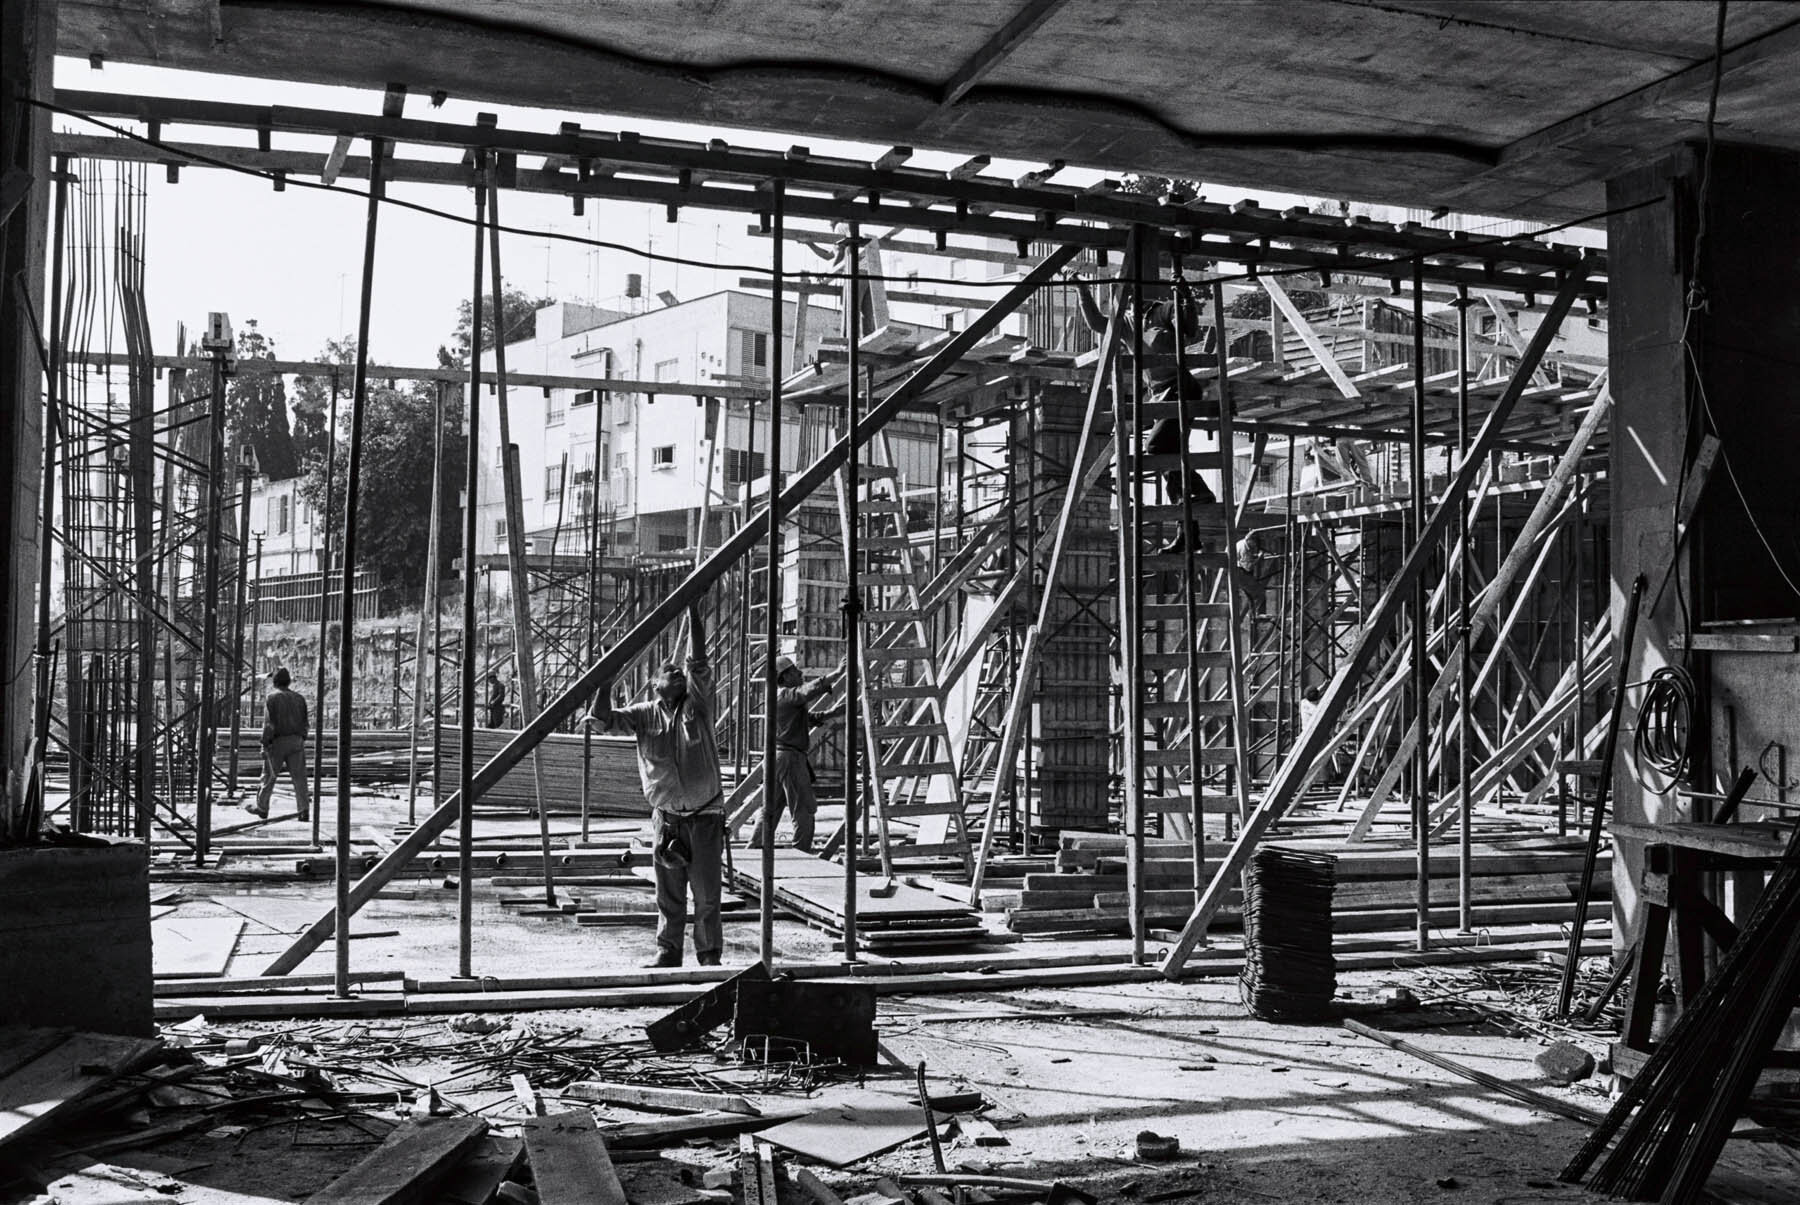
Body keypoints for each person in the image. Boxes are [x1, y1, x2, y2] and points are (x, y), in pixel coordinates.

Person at [581, 606, 723, 968]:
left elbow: (699, 663)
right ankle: (668, 951)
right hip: (668, 819)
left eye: (679, 673)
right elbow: (602, 721)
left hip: (705, 815)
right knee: (669, 893)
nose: (675, 673)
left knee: (706, 895)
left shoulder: (698, 707)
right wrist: (605, 682)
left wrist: (693, 611)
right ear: (655, 685)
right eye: (667, 672)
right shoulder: (644, 715)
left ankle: (708, 956)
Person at [748, 654, 848, 852]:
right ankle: (801, 854)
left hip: (777, 758)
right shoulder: (786, 694)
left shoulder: (780, 699)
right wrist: (837, 673)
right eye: (794, 671)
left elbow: (803, 718)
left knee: (771, 808)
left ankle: (753, 847)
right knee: (803, 808)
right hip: (790, 758)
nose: (800, 672)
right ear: (783, 678)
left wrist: (831, 714)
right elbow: (806, 692)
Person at [246, 667, 310, 820]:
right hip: (296, 741)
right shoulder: (300, 698)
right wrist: (301, 739)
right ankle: (303, 810)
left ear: (275, 682)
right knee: (299, 778)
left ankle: (262, 807)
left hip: (278, 742)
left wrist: (265, 743)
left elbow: (269, 725)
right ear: (288, 682)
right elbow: (305, 723)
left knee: (269, 776)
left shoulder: (272, 698)